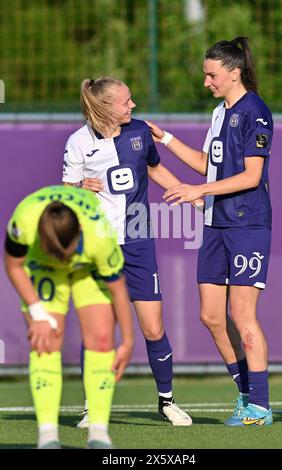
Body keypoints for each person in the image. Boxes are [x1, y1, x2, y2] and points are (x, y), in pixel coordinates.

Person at [147, 37, 273, 427]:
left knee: (241, 314)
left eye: (212, 74)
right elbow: (208, 165)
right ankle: (245, 395)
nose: (206, 82)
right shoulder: (220, 113)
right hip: (215, 224)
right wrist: (165, 139)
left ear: (235, 73)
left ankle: (261, 408)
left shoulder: (256, 112)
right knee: (211, 316)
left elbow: (251, 176)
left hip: (247, 224)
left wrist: (198, 192)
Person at [62, 77, 192, 427]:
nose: (132, 106)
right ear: (105, 107)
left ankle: (166, 402)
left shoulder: (138, 132)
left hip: (137, 240)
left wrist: (189, 191)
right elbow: (66, 192)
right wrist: (78, 186)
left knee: (152, 328)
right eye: (126, 102)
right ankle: (93, 407)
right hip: (98, 244)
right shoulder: (78, 143)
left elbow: (153, 168)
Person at [4, 185, 134, 448]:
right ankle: (48, 437)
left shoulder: (98, 235)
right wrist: (38, 312)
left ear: (79, 234)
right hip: (43, 268)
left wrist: (128, 342)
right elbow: (13, 265)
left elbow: (119, 290)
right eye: (57, 254)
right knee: (45, 342)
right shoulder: (24, 220)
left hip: (86, 268)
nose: (63, 259)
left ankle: (98, 434)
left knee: (101, 340)